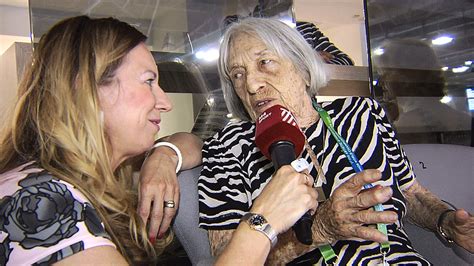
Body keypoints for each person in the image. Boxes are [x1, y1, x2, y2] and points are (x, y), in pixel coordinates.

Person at [0, 16, 317, 265]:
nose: (165, 102)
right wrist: (263, 221)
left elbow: (192, 143)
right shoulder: (38, 200)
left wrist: (165, 154)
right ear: (88, 91)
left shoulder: (64, 183)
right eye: (149, 81)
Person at [198, 17, 474, 265]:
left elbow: (411, 193)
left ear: (303, 70)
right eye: (237, 74)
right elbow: (226, 255)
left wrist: (445, 222)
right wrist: (319, 229)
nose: (251, 84)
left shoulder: (363, 114)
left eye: (264, 62)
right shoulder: (228, 146)